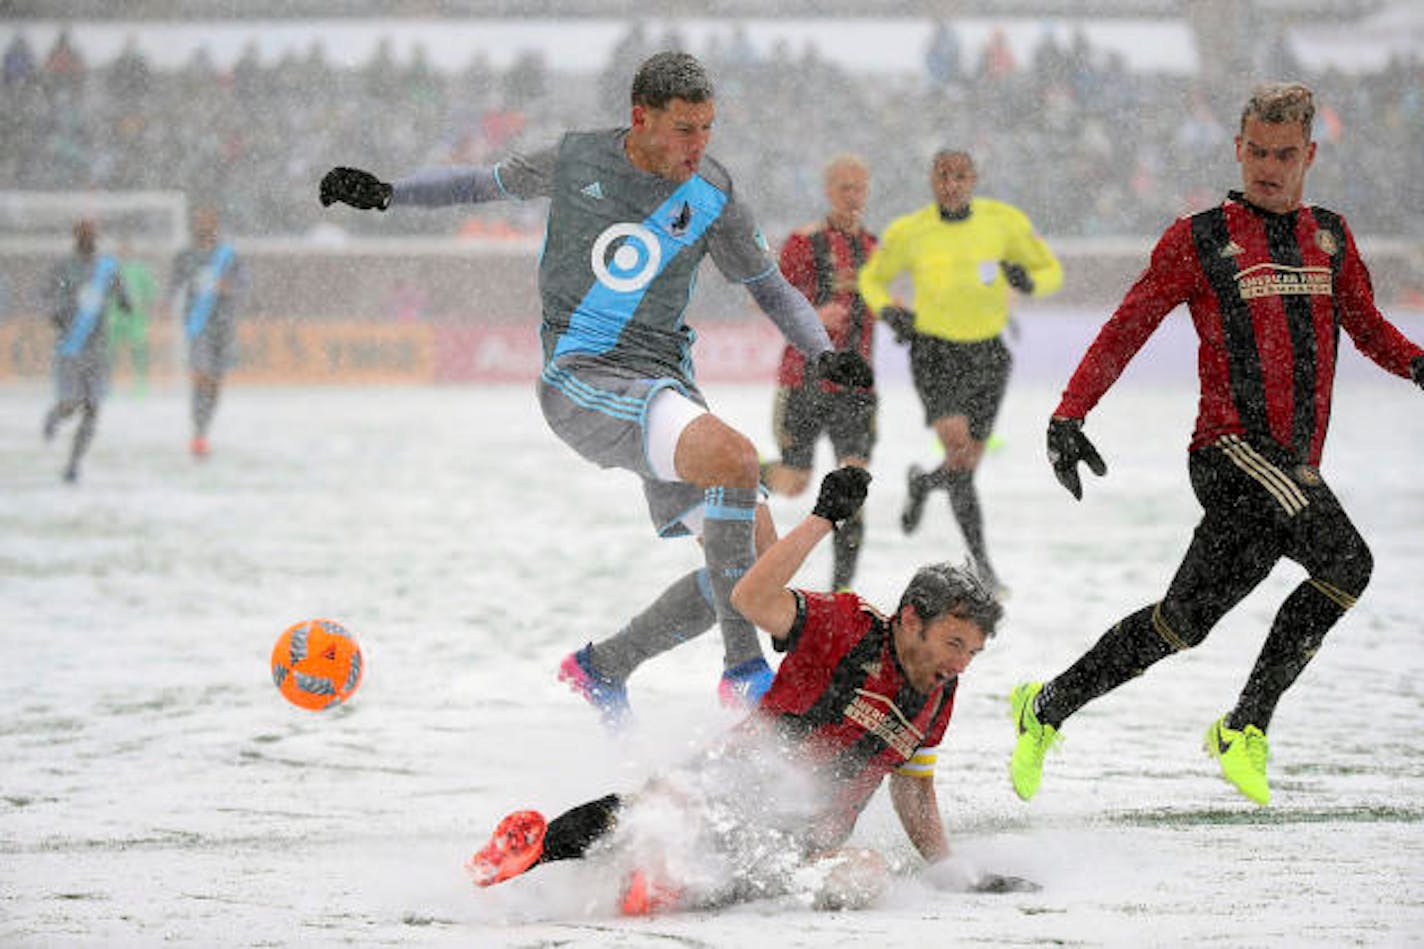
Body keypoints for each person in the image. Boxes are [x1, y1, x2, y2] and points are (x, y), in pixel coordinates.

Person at [319, 52, 873, 720]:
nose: (698, 146)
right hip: (582, 377)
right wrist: (388, 193)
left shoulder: (713, 194)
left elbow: (769, 287)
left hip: (667, 383)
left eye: (707, 129)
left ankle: (602, 667)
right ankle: (745, 675)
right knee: (734, 459)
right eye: (684, 129)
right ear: (641, 119)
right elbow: (478, 184)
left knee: (757, 572)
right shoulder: (577, 158)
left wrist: (822, 353)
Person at [1009, 82, 1424, 807]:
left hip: (1290, 473)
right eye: (1256, 152)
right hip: (1230, 451)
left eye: (1284, 154)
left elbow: (1368, 327)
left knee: (1182, 622)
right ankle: (1245, 726)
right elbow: (1127, 326)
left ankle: (1044, 706)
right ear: (1238, 148)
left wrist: (1419, 365)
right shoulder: (1199, 238)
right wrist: (1070, 413)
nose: (1268, 166)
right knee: (1348, 561)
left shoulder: (1330, 236)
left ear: (1310, 154)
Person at [463, 468, 1027, 914]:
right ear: (909, 619)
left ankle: (667, 887)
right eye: (954, 643)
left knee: (863, 877)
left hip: (801, 847)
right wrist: (822, 519)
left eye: (973, 652)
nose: (961, 664)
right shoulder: (849, 626)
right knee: (668, 808)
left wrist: (952, 870)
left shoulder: (939, 697)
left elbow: (915, 791)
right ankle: (532, 853)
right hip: (733, 782)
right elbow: (750, 599)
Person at [858, 150, 1061, 596]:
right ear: (932, 180)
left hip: (988, 355)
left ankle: (924, 483)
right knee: (958, 451)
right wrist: (890, 312)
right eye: (943, 176)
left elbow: (1050, 271)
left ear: (974, 178)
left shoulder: (1003, 222)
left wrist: (1028, 282)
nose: (951, 184)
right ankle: (982, 566)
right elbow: (871, 280)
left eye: (960, 176)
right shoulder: (909, 231)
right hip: (934, 351)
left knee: (963, 465)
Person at [762, 153, 879, 590]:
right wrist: (813, 314)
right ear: (828, 191)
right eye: (844, 188)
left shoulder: (874, 248)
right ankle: (741, 472)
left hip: (858, 387)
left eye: (859, 188)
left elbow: (880, 301)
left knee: (853, 487)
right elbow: (768, 299)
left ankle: (841, 593)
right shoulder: (803, 242)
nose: (853, 197)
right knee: (794, 482)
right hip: (805, 381)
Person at [42, 218, 130, 483]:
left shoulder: (107, 267)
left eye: (93, 233)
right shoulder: (63, 268)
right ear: (76, 237)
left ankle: (73, 464)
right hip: (71, 347)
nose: (89, 238)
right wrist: (56, 314)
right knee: (71, 404)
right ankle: (55, 415)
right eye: (84, 233)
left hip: (98, 348)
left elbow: (122, 296)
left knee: (93, 407)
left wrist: (126, 302)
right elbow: (47, 298)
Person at [168, 206, 247, 458]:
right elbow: (174, 284)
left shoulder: (228, 255)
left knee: (214, 382)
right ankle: (198, 433)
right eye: (200, 221)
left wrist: (230, 287)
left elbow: (244, 285)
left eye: (209, 221)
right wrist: (164, 302)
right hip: (197, 324)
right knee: (200, 374)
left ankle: (203, 429)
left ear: (215, 225)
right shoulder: (186, 256)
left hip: (223, 325)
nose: (204, 226)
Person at [105, 241, 158, 396]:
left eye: (127, 250)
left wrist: (146, 307)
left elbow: (151, 291)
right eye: (121, 250)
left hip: (136, 317)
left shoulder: (140, 270)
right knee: (112, 353)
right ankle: (110, 385)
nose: (124, 253)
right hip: (115, 317)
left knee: (139, 351)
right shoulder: (112, 270)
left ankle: (140, 385)